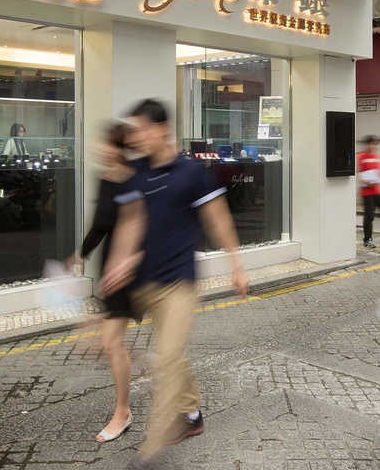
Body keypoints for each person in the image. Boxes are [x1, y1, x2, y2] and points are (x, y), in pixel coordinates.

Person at [100, 98, 248, 470]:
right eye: (134, 131)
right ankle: (192, 414)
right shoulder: (138, 172)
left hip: (179, 282)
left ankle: (151, 448)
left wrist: (236, 263)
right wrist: (120, 260)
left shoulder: (191, 173)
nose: (138, 137)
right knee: (173, 354)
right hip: (144, 281)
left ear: (162, 128)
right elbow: (131, 221)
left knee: (164, 357)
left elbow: (218, 218)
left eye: (143, 129)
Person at [64, 122, 142, 443]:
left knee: (112, 343)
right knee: (110, 342)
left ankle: (122, 412)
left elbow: (144, 230)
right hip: (109, 266)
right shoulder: (106, 179)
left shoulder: (136, 182)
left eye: (108, 144)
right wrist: (79, 254)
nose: (102, 149)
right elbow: (100, 226)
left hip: (129, 270)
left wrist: (129, 262)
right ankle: (142, 373)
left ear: (120, 148)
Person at [358, 135, 380, 248]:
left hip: (378, 190)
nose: (374, 146)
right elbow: (360, 175)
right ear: (367, 144)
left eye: (375, 144)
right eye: (372, 143)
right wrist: (365, 180)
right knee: (369, 216)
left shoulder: (377, 157)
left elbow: (379, 171)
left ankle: (374, 234)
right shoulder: (361, 156)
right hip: (367, 192)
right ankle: (367, 239)